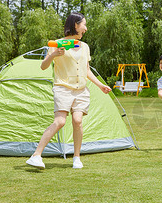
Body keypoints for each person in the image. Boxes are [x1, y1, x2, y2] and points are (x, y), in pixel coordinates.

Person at [26, 12, 112, 169]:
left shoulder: (85, 47)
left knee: (78, 121)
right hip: (63, 88)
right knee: (60, 122)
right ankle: (36, 155)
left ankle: (76, 158)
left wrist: (100, 85)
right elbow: (43, 66)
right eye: (84, 25)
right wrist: (54, 55)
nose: (85, 28)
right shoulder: (57, 44)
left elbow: (87, 70)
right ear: (75, 25)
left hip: (81, 90)